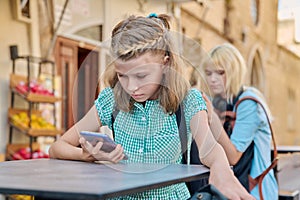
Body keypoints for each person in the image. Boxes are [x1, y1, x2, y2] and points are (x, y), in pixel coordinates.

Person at [49, 14, 254, 200]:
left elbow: (210, 149)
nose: (131, 87)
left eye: (141, 76)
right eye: (122, 76)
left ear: (165, 64)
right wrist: (86, 155)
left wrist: (222, 171)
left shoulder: (189, 100)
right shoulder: (109, 100)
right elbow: (57, 147)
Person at [196, 43, 278, 200]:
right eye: (208, 73)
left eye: (220, 73)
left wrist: (211, 116)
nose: (213, 79)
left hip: (254, 190)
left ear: (234, 72)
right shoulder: (222, 101)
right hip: (231, 188)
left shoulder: (249, 102)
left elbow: (233, 156)